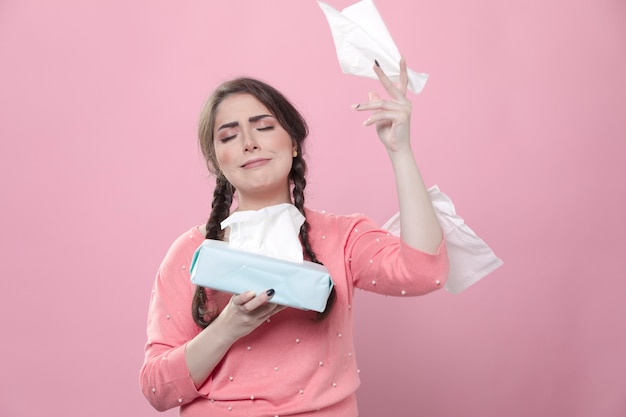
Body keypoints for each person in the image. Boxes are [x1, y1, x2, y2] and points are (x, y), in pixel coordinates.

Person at [140, 58, 449, 417]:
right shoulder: (190, 253)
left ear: (294, 144)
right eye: (229, 135)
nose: (249, 143)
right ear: (216, 161)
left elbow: (425, 273)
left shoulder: (341, 237)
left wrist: (400, 151)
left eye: (264, 127)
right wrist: (228, 327)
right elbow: (157, 389)